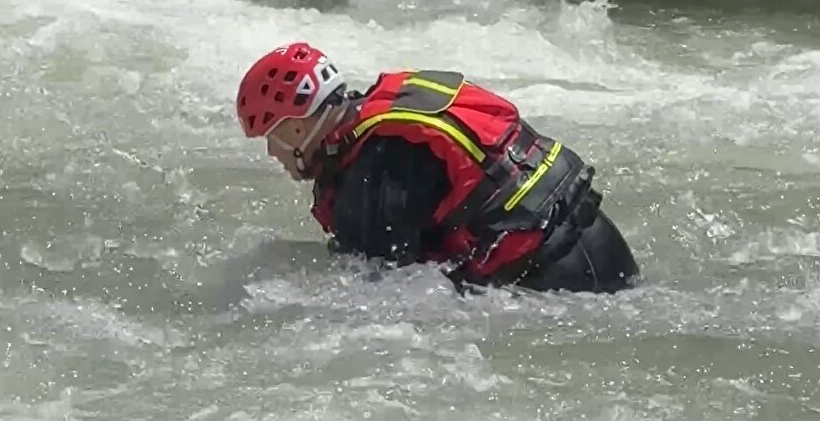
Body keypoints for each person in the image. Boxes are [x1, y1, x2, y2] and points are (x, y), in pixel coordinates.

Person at [235, 41, 639, 294]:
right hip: (597, 243)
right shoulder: (386, 114)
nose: (273, 153)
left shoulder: (368, 175)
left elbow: (389, 298)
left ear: (297, 126)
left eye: (272, 138)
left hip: (568, 278)